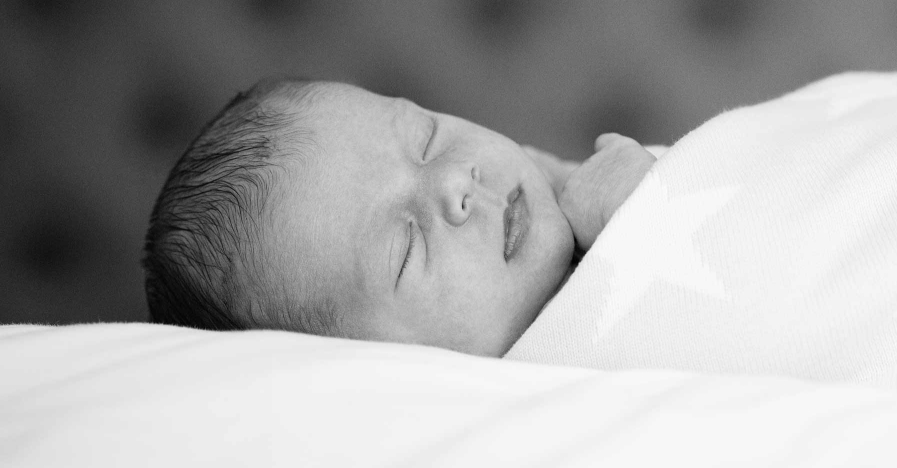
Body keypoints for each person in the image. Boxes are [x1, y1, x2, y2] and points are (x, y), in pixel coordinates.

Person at [142, 78, 657, 356]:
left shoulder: (600, 182)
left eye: (427, 137)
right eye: (406, 248)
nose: (456, 181)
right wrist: (654, 211)